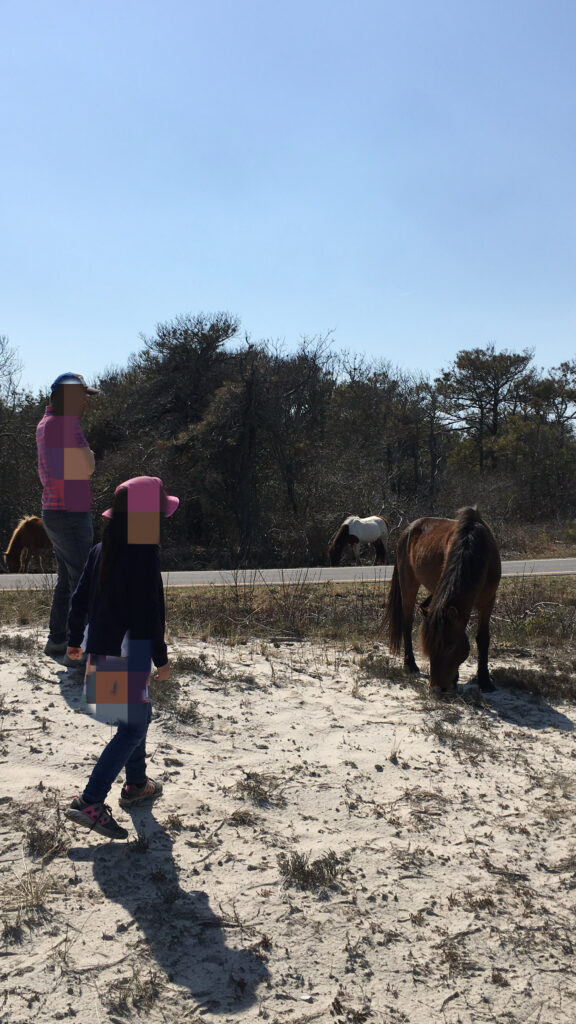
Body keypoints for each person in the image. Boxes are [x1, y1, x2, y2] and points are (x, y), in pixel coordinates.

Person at [64, 475, 178, 840]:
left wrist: (72, 640)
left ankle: (136, 785)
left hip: (99, 646)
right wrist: (161, 660)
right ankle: (90, 801)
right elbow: (150, 615)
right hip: (131, 650)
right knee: (133, 726)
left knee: (134, 718)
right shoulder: (143, 554)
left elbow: (79, 597)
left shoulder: (102, 549)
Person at [36, 372, 99, 658]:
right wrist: (89, 455)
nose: (85, 403)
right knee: (83, 582)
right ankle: (80, 651)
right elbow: (87, 466)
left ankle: (58, 641)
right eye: (82, 396)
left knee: (66, 581)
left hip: (54, 511)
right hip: (70, 513)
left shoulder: (45, 423)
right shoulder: (65, 424)